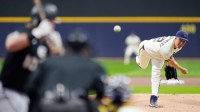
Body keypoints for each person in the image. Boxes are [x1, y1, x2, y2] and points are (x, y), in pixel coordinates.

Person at [0, 3, 64, 112]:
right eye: (52, 22)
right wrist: (37, 33)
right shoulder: (24, 33)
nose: (53, 26)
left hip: (29, 95)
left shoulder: (48, 41)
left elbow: (59, 62)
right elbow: (10, 44)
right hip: (9, 92)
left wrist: (57, 48)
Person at [26, 30, 107, 112]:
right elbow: (101, 93)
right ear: (87, 49)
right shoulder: (94, 66)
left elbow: (30, 87)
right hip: (77, 106)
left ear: (66, 48)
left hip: (47, 104)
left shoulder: (48, 62)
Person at [135, 30, 189, 107]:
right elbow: (171, 61)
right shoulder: (166, 49)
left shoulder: (178, 45)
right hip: (145, 49)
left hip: (158, 55)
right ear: (175, 38)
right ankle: (138, 59)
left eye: (184, 41)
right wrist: (182, 69)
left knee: (156, 74)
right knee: (143, 66)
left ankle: (154, 98)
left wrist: (169, 62)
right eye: (180, 40)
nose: (181, 43)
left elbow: (170, 58)